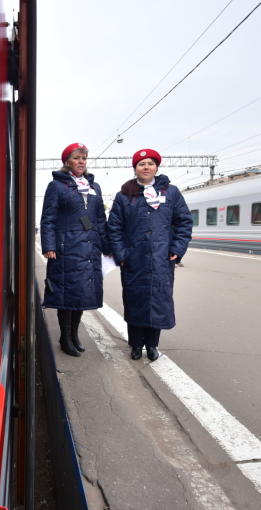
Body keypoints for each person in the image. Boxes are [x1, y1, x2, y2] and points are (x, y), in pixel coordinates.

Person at [106, 148, 192, 361]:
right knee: (135, 301)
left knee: (158, 302)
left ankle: (152, 345)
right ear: (135, 168)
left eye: (150, 164)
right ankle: (136, 345)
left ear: (156, 167)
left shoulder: (171, 193)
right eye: (141, 164)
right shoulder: (124, 195)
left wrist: (177, 249)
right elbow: (114, 228)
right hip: (134, 260)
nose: (146, 167)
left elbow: (184, 222)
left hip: (161, 260)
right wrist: (122, 254)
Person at [40, 143, 111, 356]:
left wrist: (106, 245)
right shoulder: (57, 186)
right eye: (77, 158)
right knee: (66, 293)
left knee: (81, 293)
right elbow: (48, 219)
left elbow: (99, 219)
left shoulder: (94, 187)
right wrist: (49, 245)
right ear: (67, 162)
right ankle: (65, 337)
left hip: (89, 248)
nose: (81, 162)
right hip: (66, 248)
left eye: (84, 158)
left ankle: (74, 334)